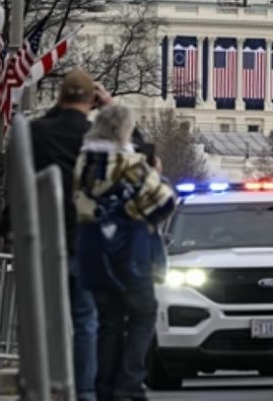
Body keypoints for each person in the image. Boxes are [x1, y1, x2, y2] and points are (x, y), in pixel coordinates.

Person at [75, 103, 176, 401]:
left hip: (95, 254)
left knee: (109, 322)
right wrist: (136, 206)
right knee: (144, 315)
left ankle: (105, 387)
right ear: (123, 131)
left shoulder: (84, 162)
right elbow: (165, 203)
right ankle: (130, 382)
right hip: (131, 256)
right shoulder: (130, 165)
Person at [28, 68, 111, 401]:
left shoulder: (38, 132)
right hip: (88, 240)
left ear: (60, 99)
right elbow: (144, 154)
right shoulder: (99, 137)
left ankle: (45, 386)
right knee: (85, 319)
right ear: (92, 100)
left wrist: (59, 107)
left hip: (45, 238)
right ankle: (84, 391)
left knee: (43, 318)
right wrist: (109, 106)